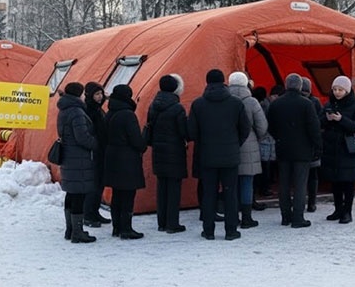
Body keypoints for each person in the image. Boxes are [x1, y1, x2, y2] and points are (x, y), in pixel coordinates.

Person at [188, 69, 250, 241]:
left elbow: (191, 132)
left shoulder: (198, 104)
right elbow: (245, 128)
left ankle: (208, 231)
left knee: (209, 194)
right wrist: (234, 144)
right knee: (230, 194)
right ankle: (231, 230)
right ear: (224, 82)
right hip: (230, 156)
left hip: (207, 156)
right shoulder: (236, 103)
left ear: (207, 82)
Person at [267, 73, 322, 229]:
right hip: (303, 150)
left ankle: (285, 216)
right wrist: (317, 146)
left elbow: (270, 125)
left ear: (286, 85)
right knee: (300, 184)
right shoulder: (306, 104)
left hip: (283, 148)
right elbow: (314, 128)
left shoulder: (276, 104)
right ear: (300, 86)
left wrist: (279, 138)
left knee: (283, 183)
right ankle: (298, 217)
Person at [321, 76, 355, 224]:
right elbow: (319, 122)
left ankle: (347, 212)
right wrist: (327, 119)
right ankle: (338, 209)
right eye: (335, 89)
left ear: (347, 90)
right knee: (335, 182)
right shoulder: (329, 105)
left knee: (347, 182)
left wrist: (342, 120)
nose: (337, 92)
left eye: (340, 90)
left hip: (348, 150)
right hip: (332, 149)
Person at [56, 82, 98, 243]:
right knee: (79, 194)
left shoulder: (64, 110)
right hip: (78, 158)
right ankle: (78, 232)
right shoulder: (76, 112)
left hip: (68, 156)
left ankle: (70, 229)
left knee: (71, 193)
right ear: (79, 94)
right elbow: (82, 137)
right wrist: (95, 143)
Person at [104, 84, 147, 240]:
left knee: (117, 194)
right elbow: (137, 141)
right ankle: (126, 228)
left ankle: (116, 227)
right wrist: (144, 140)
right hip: (127, 159)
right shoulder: (128, 115)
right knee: (128, 194)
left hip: (112, 157)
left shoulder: (109, 113)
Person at [147, 74, 188, 234]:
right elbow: (184, 131)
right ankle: (172, 223)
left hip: (158, 151)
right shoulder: (177, 108)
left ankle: (162, 222)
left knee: (162, 186)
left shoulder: (153, 105)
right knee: (174, 188)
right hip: (174, 152)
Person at [227, 72, 268, 229]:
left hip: (229, 146)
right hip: (249, 144)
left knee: (232, 182)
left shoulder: (226, 100)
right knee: (247, 182)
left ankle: (233, 216)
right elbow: (262, 126)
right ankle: (247, 217)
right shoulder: (251, 102)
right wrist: (255, 137)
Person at [82, 82, 111, 228]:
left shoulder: (98, 109)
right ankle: (88, 214)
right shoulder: (89, 111)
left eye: (101, 94)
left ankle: (95, 212)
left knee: (99, 183)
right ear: (90, 95)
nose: (100, 97)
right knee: (93, 184)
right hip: (94, 153)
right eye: (97, 94)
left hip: (101, 151)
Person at [257, 85, 284, 198]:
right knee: (266, 164)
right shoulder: (267, 105)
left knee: (267, 164)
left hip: (266, 138)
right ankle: (265, 188)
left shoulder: (265, 104)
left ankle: (265, 187)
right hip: (266, 138)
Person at [301, 77, 323, 212]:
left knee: (299, 175)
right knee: (313, 175)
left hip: (297, 144)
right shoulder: (315, 102)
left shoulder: (292, 100)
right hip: (312, 144)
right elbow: (319, 122)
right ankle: (312, 202)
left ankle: (300, 202)